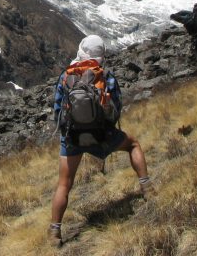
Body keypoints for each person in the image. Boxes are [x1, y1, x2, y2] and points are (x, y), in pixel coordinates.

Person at [48, 35, 153, 247]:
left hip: (72, 138)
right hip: (102, 135)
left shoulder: (65, 76)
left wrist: (67, 134)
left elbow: (58, 112)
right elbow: (115, 108)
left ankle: (55, 232)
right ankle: (147, 189)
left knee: (64, 184)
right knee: (133, 144)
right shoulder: (105, 75)